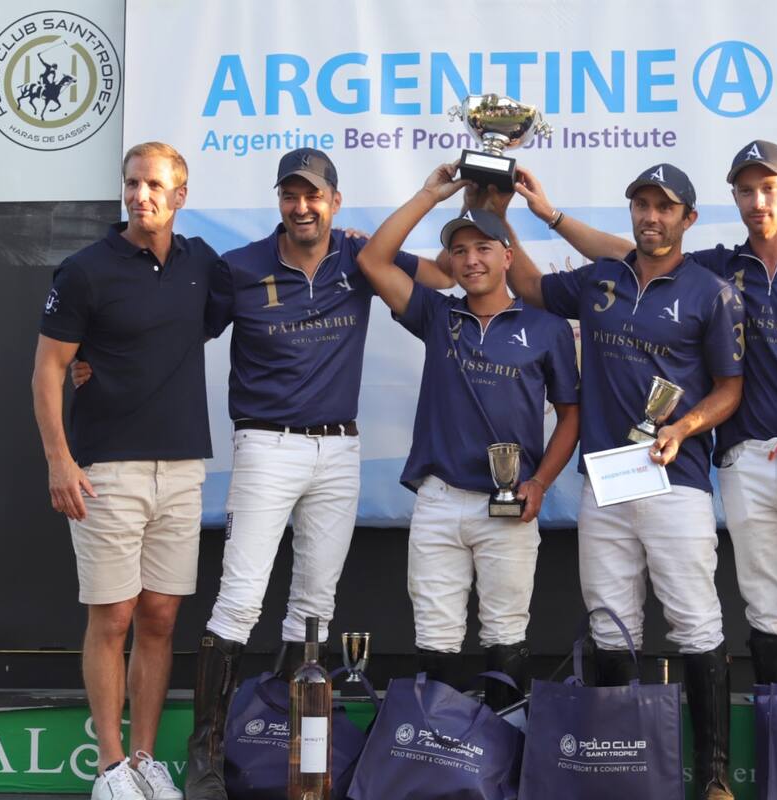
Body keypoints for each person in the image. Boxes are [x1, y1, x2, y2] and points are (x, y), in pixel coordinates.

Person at [513, 141, 777, 688]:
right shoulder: (717, 267)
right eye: (746, 190)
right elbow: (627, 251)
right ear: (734, 198)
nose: (758, 200)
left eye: (769, 188)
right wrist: (550, 216)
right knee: (766, 608)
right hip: (747, 461)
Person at [185, 148, 457, 799]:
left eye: (313, 195)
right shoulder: (241, 267)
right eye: (291, 195)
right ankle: (206, 755)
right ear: (280, 201)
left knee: (314, 605)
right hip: (265, 447)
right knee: (241, 599)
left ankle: (286, 742)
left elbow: (447, 275)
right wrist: (96, 362)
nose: (301, 206)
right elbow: (176, 333)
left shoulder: (359, 260)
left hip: (339, 450)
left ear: (334, 201)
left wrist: (433, 196)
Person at [504, 163, 744, 800]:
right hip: (604, 482)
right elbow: (529, 288)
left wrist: (684, 426)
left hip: (676, 480)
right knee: (610, 627)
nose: (651, 217)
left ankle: (713, 775)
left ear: (688, 219)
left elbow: (730, 389)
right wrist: (502, 219)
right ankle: (621, 773)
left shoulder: (711, 292)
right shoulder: (599, 279)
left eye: (664, 207)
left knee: (696, 624)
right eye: (641, 204)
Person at [355, 165, 580, 709]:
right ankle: (442, 762)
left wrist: (541, 483)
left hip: (509, 510)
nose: (472, 259)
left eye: (484, 247)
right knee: (435, 638)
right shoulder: (438, 314)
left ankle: (505, 762)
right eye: (460, 251)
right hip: (438, 502)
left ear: (508, 255)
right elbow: (372, 260)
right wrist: (431, 195)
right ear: (451, 264)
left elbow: (571, 414)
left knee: (506, 635)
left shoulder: (546, 327)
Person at [33, 141, 212, 800]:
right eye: (134, 183)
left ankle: (143, 761)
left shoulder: (200, 266)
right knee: (113, 618)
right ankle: (109, 769)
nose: (143, 195)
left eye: (156, 185)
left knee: (160, 618)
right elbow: (50, 367)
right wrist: (60, 459)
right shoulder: (84, 271)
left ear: (180, 194)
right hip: (105, 468)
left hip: (183, 464)